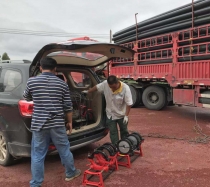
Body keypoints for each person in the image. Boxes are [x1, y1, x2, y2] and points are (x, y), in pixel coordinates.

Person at [23, 57, 81, 187]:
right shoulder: (62, 84)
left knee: (37, 155)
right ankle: (71, 173)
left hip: (39, 124)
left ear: (41, 68)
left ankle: (36, 183)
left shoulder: (32, 82)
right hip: (57, 124)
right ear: (55, 69)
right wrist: (70, 122)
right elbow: (68, 106)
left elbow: (26, 96)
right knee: (64, 149)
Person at [84, 75, 133, 144]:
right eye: (110, 87)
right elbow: (97, 87)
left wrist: (126, 116)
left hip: (121, 115)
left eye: (113, 87)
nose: (112, 89)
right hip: (110, 114)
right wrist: (88, 91)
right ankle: (115, 147)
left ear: (117, 82)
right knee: (113, 132)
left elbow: (129, 104)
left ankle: (125, 146)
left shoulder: (125, 88)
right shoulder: (105, 84)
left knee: (124, 131)